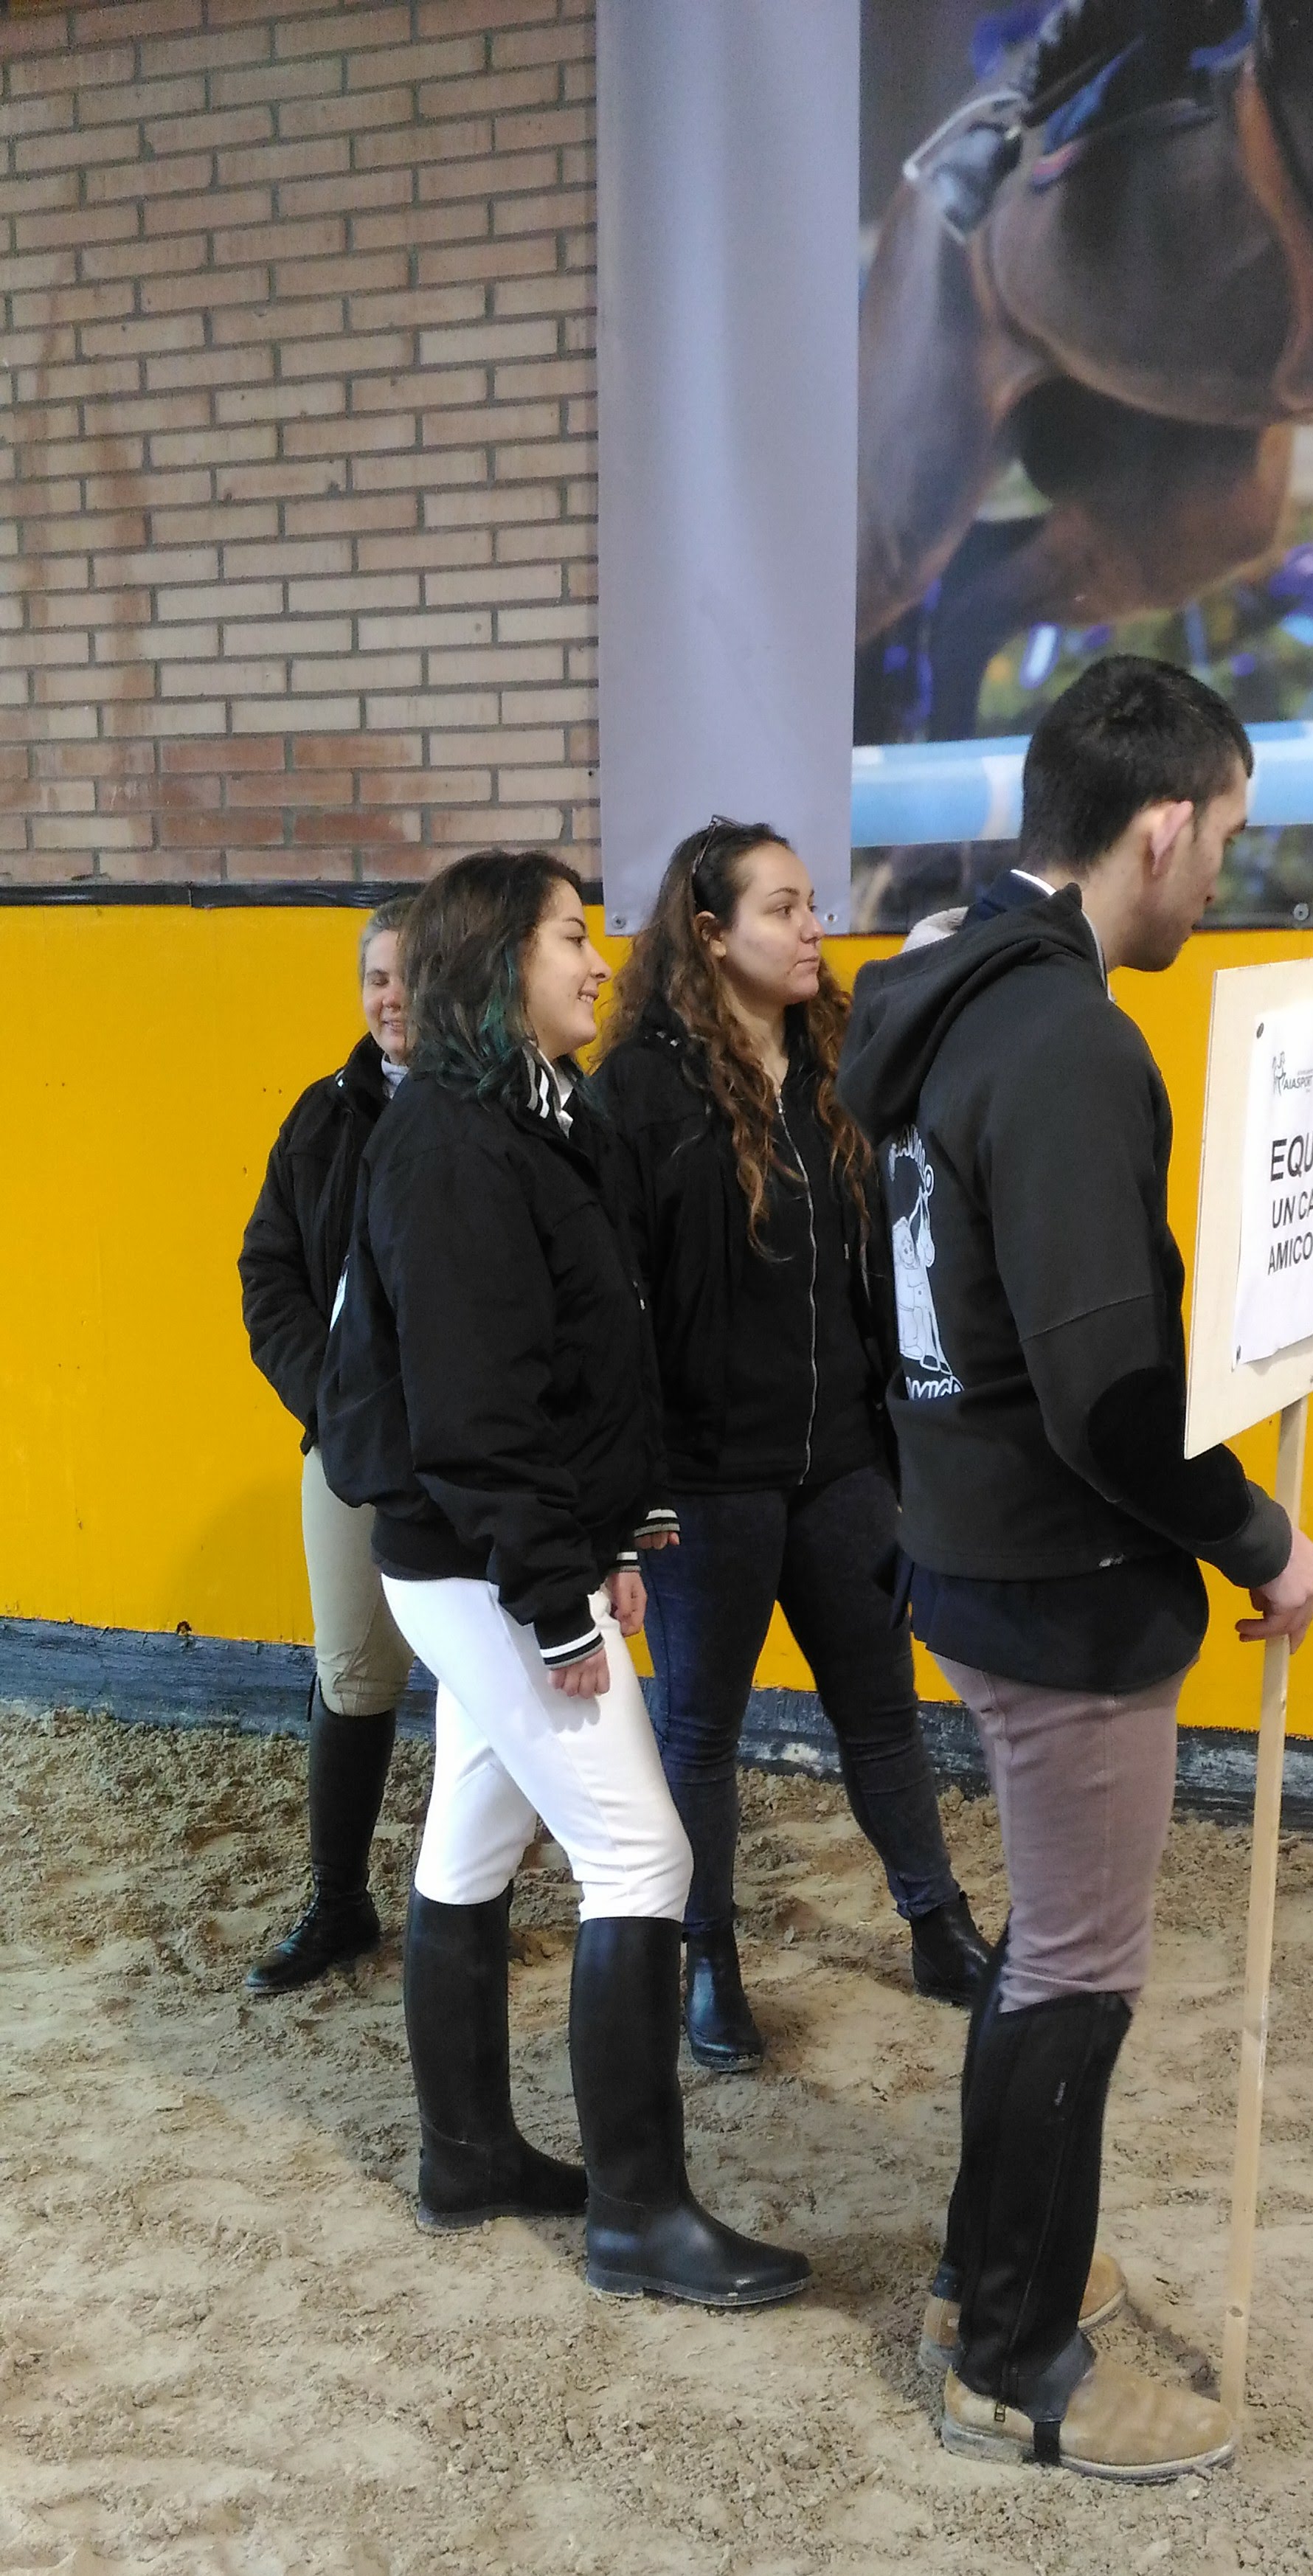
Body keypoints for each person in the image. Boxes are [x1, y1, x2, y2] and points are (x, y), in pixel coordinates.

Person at [839, 657, 1313, 2483]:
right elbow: (1113, 1396)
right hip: (1059, 1574)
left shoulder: (949, 999)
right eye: (1229, 842)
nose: (1222, 879)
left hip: (976, 1547)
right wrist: (1262, 1537)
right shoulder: (1061, 1041)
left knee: (1052, 1947)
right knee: (1079, 1969)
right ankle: (1017, 2355)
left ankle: (985, 2276)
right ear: (1162, 826)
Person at [315, 848, 809, 2310]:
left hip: (512, 1557)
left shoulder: (540, 1113)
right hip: (479, 1567)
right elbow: (476, 1419)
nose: (601, 963)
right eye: (570, 938)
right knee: (643, 1855)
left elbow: (593, 1352)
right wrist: (552, 1600)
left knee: (474, 1839)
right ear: (497, 965)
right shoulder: (453, 1146)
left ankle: (467, 2156)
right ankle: (639, 2218)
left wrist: (616, 1535)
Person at [591, 820, 991, 2073]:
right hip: (705, 1482)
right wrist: (636, 1495)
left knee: (881, 1710)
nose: (815, 928)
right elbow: (613, 1306)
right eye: (783, 908)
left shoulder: (842, 1059)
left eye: (814, 903)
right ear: (710, 934)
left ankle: (938, 1925)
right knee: (700, 1733)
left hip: (843, 1463)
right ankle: (709, 1959)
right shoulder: (640, 1092)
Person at [239, 896, 418, 1995]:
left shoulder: (515, 1105)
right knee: (353, 1670)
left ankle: (482, 1905)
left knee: (515, 1683)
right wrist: (332, 1399)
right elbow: (268, 1276)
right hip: (352, 1447)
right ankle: (340, 1900)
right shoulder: (321, 1116)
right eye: (375, 978)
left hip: (481, 1453)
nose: (391, 998)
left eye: (410, 975)